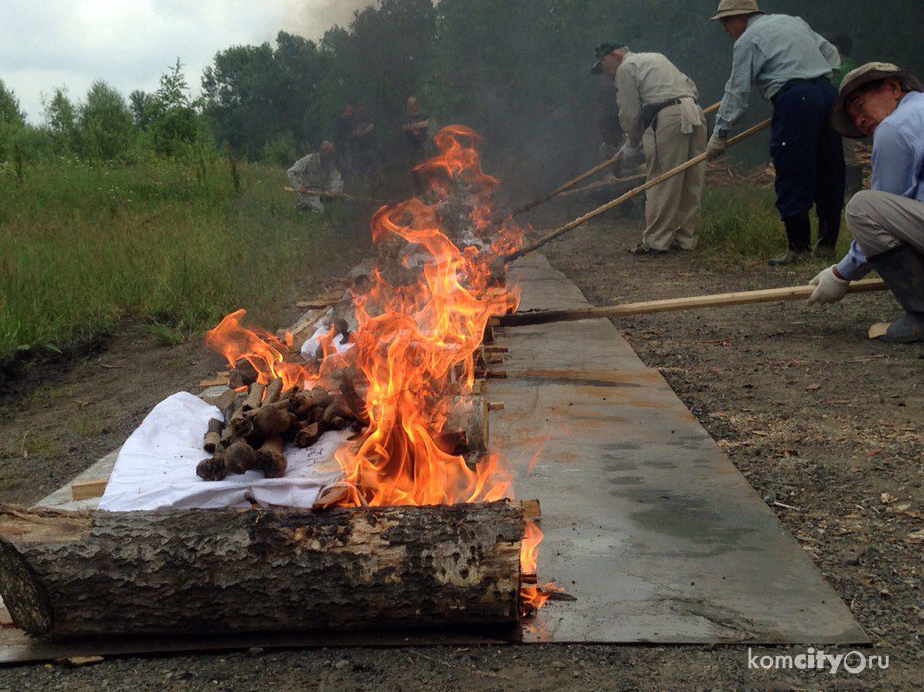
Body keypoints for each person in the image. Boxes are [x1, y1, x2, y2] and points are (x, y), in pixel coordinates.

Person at [706, 0, 845, 265]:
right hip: (827, 95)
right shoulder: (793, 21)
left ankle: (799, 249)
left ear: (742, 16)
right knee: (830, 168)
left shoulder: (747, 40)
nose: (724, 27)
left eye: (726, 21)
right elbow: (831, 54)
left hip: (795, 98)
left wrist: (721, 132)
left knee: (792, 168)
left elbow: (737, 91)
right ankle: (827, 247)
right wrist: (815, 80)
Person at [807, 62, 924, 344]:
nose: (859, 121)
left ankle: (921, 314)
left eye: (859, 106)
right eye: (853, 116)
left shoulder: (894, 128)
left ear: (893, 88)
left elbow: (885, 213)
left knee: (862, 207)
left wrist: (840, 273)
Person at [591, 42, 706, 255]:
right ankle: (686, 239)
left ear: (615, 55)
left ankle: (656, 241)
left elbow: (629, 112)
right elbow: (689, 85)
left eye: (602, 65)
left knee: (662, 179)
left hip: (668, 117)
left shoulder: (625, 68)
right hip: (694, 111)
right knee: (691, 180)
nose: (604, 72)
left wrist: (631, 144)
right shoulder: (655, 56)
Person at [830, 34, 865, 196]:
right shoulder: (844, 67)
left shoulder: (844, 69)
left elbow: (832, 89)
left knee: (848, 154)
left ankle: (853, 192)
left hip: (845, 116)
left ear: (836, 48)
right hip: (842, 116)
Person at [286, 141, 343, 213]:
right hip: (307, 194)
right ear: (322, 152)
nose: (329, 155)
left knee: (335, 209)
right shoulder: (309, 159)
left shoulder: (330, 165)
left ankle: (306, 208)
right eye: (328, 152)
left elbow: (336, 179)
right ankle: (303, 207)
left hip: (322, 195)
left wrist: (335, 190)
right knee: (320, 210)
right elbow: (290, 172)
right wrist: (299, 186)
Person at [402, 96, 431, 194]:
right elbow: (405, 127)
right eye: (409, 104)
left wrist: (414, 126)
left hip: (422, 144)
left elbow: (425, 124)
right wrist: (413, 128)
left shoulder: (423, 115)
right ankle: (417, 189)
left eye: (413, 103)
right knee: (412, 167)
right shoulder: (406, 117)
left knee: (426, 164)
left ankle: (429, 186)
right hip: (411, 145)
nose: (412, 106)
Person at [333, 103, 356, 177]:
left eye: (351, 111)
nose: (350, 113)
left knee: (348, 165)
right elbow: (336, 134)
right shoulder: (339, 121)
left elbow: (351, 133)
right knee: (343, 165)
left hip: (348, 146)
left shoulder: (350, 121)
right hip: (340, 146)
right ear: (344, 111)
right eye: (349, 111)